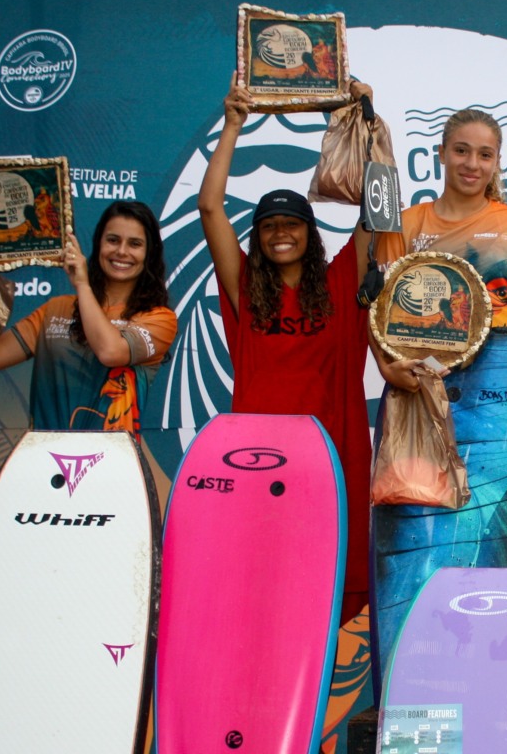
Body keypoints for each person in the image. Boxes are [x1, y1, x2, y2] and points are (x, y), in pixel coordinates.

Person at [368, 107, 507, 682]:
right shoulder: (406, 223)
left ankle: (506, 678)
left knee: (504, 524)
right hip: (424, 392)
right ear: (441, 154)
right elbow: (377, 305)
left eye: (484, 154)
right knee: (423, 530)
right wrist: (387, 366)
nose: (472, 163)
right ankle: (418, 677)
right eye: (461, 150)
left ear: (496, 163)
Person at [201, 79, 374, 624]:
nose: (280, 233)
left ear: (310, 232)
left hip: (328, 460)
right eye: (269, 225)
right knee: (261, 590)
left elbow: (378, 209)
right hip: (257, 463)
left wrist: (365, 125)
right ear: (257, 237)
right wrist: (233, 124)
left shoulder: (342, 284)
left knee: (319, 593)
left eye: (291, 224)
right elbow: (209, 208)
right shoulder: (247, 292)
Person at [0, 200, 176, 433]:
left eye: (135, 244)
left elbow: (110, 352)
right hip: (46, 451)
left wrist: (82, 285)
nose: (121, 251)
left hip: (113, 453)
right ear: (98, 244)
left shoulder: (159, 319)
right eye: (113, 240)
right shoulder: (56, 309)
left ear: (149, 253)